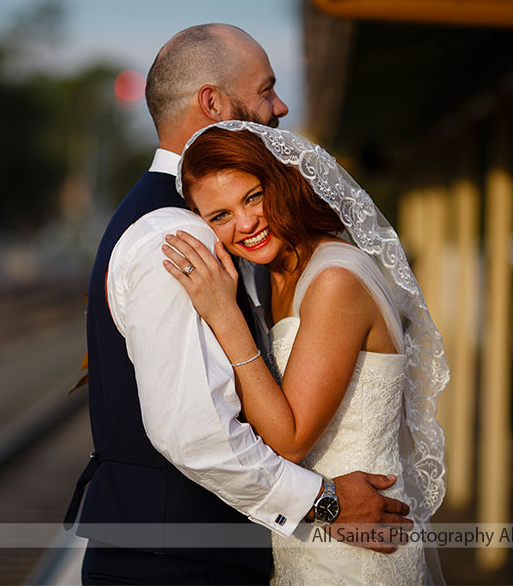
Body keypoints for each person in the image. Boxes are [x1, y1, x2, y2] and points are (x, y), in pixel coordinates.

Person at [64, 24, 414, 586]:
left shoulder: (185, 220)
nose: (279, 106)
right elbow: (193, 434)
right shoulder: (180, 236)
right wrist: (324, 502)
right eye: (265, 88)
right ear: (213, 102)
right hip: (180, 565)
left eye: (249, 201)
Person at [161, 120, 448, 584]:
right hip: (311, 533)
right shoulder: (267, 274)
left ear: (281, 181)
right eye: (220, 216)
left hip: (359, 547)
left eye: (253, 197)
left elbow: (291, 440)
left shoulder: (335, 281)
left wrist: (224, 317)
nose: (246, 223)